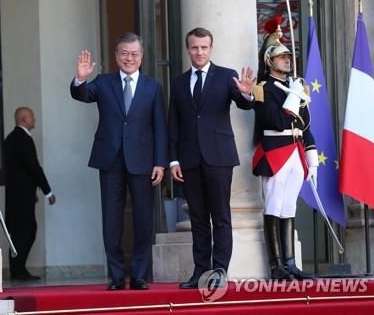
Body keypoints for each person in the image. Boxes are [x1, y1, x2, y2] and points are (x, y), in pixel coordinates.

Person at [70, 32, 167, 290]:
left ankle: (138, 275)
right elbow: (81, 95)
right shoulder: (103, 82)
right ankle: (115, 276)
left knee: (143, 219)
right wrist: (80, 78)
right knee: (111, 219)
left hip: (143, 161)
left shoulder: (153, 87)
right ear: (116, 56)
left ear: (142, 56)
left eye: (134, 54)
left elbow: (160, 127)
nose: (129, 58)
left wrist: (160, 162)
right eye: (124, 53)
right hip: (110, 159)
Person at [168, 27, 256, 289]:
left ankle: (219, 271)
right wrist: (173, 160)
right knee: (197, 218)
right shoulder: (179, 82)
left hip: (218, 157)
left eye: (204, 47)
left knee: (220, 217)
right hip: (190, 159)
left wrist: (246, 93)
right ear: (188, 50)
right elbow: (174, 123)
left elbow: (245, 104)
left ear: (211, 48)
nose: (199, 52)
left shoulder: (226, 76)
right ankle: (200, 272)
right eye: (194, 47)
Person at [252, 17, 316, 280]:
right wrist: (293, 96)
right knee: (274, 204)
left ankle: (290, 263)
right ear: (269, 61)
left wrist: (312, 159)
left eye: (289, 56)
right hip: (275, 152)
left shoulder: (294, 86)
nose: (287, 60)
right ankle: (276, 264)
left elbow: (306, 124)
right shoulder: (261, 89)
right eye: (281, 56)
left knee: (289, 206)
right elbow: (275, 121)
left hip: (295, 152)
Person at [4, 107, 56, 281]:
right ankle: (18, 269)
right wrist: (47, 191)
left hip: (14, 195)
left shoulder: (11, 138)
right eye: (32, 117)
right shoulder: (23, 138)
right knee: (27, 231)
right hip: (22, 196)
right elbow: (33, 167)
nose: (34, 119)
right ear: (23, 119)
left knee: (18, 232)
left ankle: (17, 268)